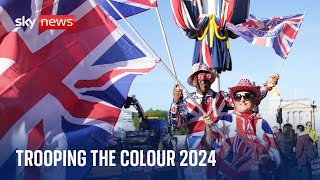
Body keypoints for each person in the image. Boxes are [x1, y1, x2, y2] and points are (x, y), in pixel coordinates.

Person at [169, 62, 279, 150]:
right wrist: (175, 101)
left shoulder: (221, 97)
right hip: (197, 152)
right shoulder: (186, 101)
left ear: (211, 79)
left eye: (207, 75)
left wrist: (267, 87)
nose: (204, 79)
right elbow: (176, 126)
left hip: (220, 148)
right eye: (200, 76)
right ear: (194, 82)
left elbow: (246, 100)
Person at [205, 78, 281, 180]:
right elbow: (208, 146)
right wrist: (208, 128)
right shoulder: (223, 121)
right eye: (238, 96)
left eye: (247, 96)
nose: (242, 99)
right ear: (233, 101)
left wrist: (266, 158)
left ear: (254, 100)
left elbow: (274, 154)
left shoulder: (262, 124)